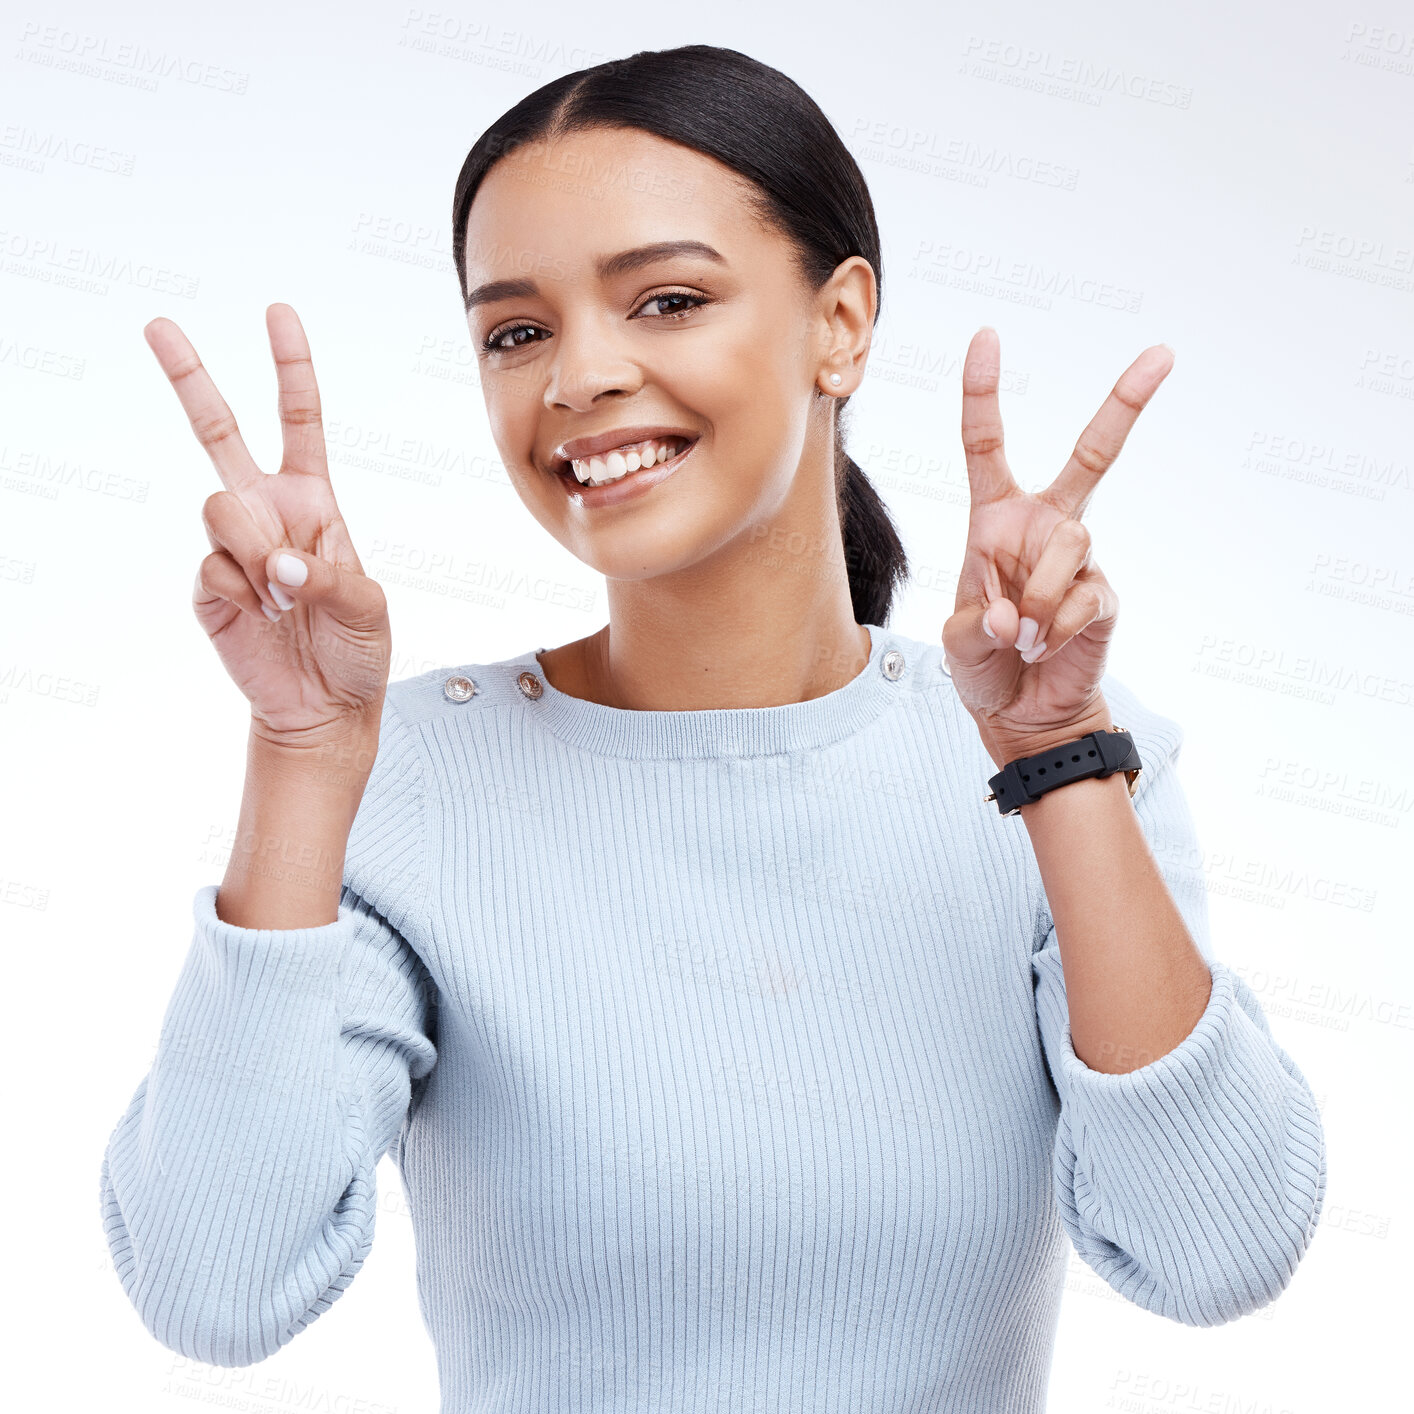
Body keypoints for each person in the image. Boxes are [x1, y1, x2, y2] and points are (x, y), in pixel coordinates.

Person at [99, 44, 1326, 1413]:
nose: (579, 375)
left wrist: (1054, 750)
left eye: (665, 300)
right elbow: (214, 1285)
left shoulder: (1069, 763)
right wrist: (304, 755)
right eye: (516, 330)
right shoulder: (410, 779)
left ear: (840, 323)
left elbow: (1215, 1251)